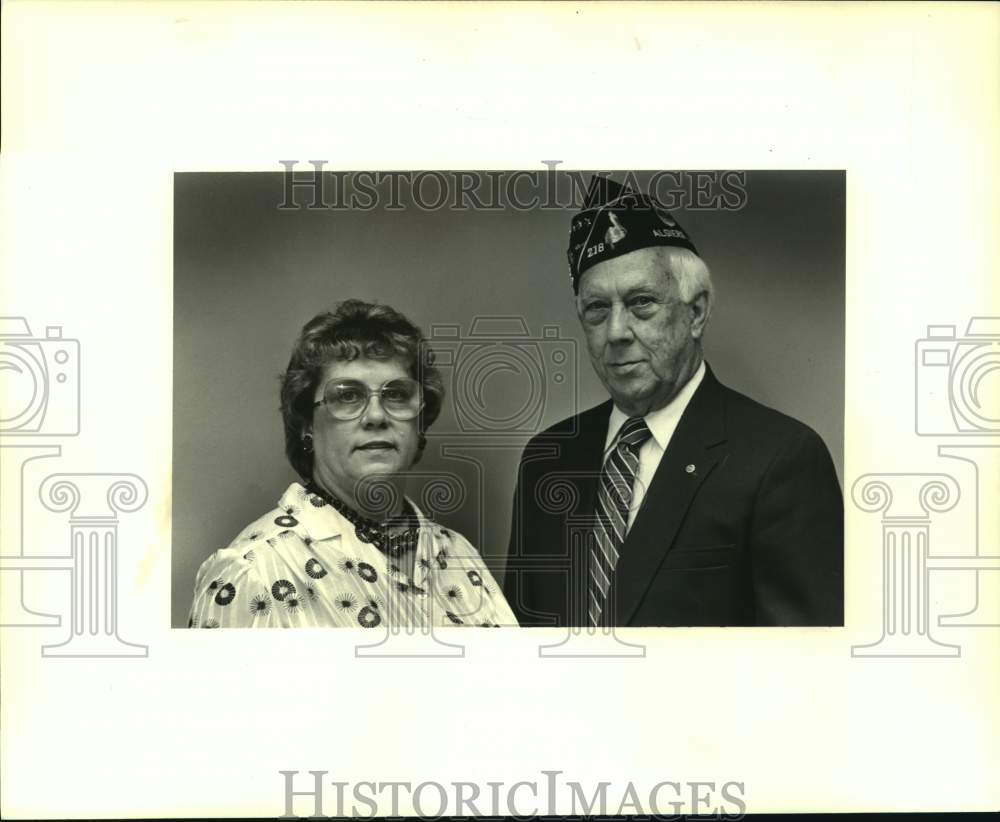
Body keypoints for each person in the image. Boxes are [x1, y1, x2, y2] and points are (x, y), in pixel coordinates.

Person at [503, 176, 843, 627]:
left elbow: (807, 668)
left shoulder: (780, 459)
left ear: (696, 312)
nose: (617, 333)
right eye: (597, 310)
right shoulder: (548, 459)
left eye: (641, 303)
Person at [188, 299, 516, 629]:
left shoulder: (459, 554)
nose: (376, 416)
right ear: (306, 424)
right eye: (347, 396)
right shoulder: (254, 570)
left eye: (397, 395)